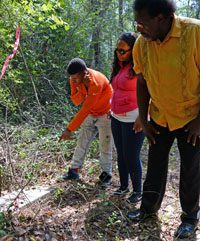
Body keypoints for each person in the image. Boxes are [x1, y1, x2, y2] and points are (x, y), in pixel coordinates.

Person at [127, 0, 200, 239]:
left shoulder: (195, 32)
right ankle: (148, 209)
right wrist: (144, 117)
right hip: (159, 117)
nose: (138, 28)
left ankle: (190, 218)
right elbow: (142, 81)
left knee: (191, 169)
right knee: (155, 164)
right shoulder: (142, 44)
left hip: (192, 120)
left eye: (142, 22)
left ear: (161, 17)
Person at [59, 58, 113, 188]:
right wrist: (79, 85)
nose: (73, 80)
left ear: (84, 73)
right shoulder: (74, 79)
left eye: (76, 78)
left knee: (105, 146)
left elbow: (85, 109)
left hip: (106, 113)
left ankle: (106, 176)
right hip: (91, 113)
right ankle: (74, 171)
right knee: (82, 141)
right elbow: (76, 101)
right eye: (72, 78)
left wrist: (69, 129)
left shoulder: (96, 82)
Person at [110, 32, 144, 204]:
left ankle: (138, 191)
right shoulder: (120, 66)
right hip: (116, 117)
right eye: (117, 50)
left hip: (134, 117)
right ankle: (123, 186)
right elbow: (115, 90)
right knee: (121, 154)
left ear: (134, 50)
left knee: (131, 155)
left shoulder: (140, 66)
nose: (119, 54)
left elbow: (150, 92)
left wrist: (143, 117)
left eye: (123, 51)